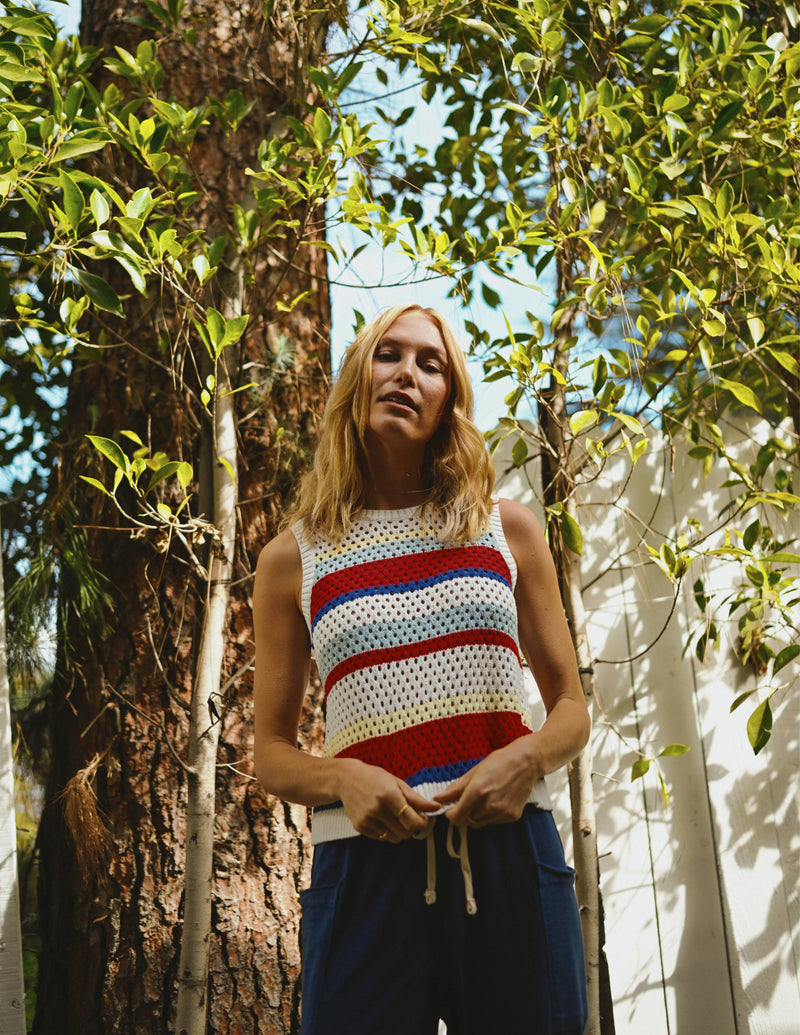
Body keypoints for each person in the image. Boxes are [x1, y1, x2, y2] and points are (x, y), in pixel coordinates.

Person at [252, 304, 590, 1035]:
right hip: (363, 867)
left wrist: (525, 759)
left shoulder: (506, 526)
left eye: (429, 364)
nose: (407, 372)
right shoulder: (292, 558)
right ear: (357, 378)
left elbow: (572, 707)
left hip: (509, 854)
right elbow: (271, 753)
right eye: (389, 355)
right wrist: (342, 777)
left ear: (448, 401)